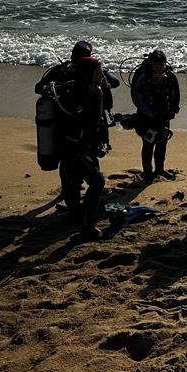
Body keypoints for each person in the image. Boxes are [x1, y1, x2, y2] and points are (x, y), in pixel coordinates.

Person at [34, 40, 120, 199]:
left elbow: (38, 87)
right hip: (86, 125)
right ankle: (84, 190)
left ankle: (66, 190)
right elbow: (115, 82)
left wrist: (57, 87)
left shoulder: (60, 71)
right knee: (90, 155)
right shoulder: (88, 70)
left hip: (64, 126)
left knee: (66, 160)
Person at [55, 56, 113, 240]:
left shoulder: (89, 89)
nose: (102, 75)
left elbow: (104, 111)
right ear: (88, 75)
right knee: (97, 182)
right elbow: (91, 123)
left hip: (83, 146)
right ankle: (86, 227)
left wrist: (103, 92)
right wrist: (98, 97)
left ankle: (79, 218)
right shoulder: (75, 94)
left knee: (77, 182)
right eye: (98, 72)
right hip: (73, 147)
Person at [131, 49, 181, 181]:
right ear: (151, 64)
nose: (158, 67)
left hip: (164, 117)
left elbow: (176, 94)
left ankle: (160, 169)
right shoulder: (144, 77)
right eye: (155, 64)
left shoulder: (170, 76)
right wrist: (151, 113)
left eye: (161, 64)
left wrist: (173, 110)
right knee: (148, 144)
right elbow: (137, 98)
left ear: (165, 64)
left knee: (162, 144)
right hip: (146, 118)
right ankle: (147, 172)